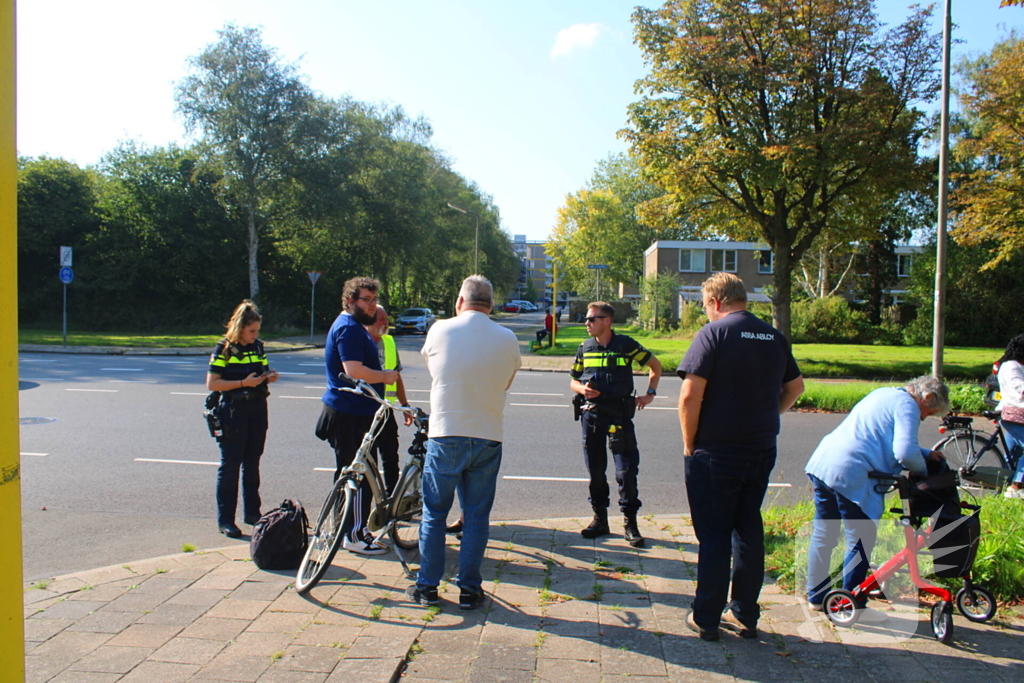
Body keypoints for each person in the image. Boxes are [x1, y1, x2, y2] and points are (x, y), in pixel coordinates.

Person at [677, 273, 804, 641]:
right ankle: (746, 614)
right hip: (761, 447)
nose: (706, 313)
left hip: (716, 451)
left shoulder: (713, 334)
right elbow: (795, 387)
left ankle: (706, 618)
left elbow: (689, 396)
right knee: (748, 528)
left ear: (716, 301)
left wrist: (690, 443)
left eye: (705, 306)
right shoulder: (774, 337)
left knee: (714, 535)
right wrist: (768, 416)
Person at [406, 275, 522, 610]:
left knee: (434, 512)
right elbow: (507, 382)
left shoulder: (440, 329)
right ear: (491, 305)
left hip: (446, 433)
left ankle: (427, 586)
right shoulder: (507, 337)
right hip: (488, 434)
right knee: (475, 517)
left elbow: (435, 370)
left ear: (460, 301)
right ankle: (470, 589)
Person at [804, 377, 950, 620]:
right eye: (929, 412)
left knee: (824, 533)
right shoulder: (908, 406)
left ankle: (816, 598)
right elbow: (903, 452)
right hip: (851, 471)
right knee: (859, 539)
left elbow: (878, 434)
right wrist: (924, 473)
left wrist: (925, 454)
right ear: (926, 398)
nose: (924, 417)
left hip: (824, 463)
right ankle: (850, 601)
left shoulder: (884, 393)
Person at [315, 277, 400, 555]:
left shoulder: (353, 326)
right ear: (350, 301)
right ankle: (354, 535)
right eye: (367, 300)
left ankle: (344, 529)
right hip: (349, 413)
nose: (372, 305)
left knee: (352, 472)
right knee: (357, 475)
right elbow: (353, 370)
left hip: (353, 411)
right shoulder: (350, 328)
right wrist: (386, 376)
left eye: (375, 300)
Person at [570, 301, 663, 548]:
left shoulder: (626, 345)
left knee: (626, 472)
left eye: (591, 319)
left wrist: (650, 393)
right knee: (596, 471)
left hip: (620, 416)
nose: (586, 323)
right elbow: (573, 380)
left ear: (607, 321)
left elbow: (655, 366)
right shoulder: (584, 347)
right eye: (586, 318)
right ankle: (600, 520)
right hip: (592, 417)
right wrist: (582, 388)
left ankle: (630, 524)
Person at [206, 300, 279, 538]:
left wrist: (269, 376)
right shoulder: (224, 349)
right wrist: (242, 383)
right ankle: (226, 520)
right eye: (251, 331)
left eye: (257, 331)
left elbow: (262, 371)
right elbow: (213, 383)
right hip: (232, 411)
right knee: (230, 465)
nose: (255, 335)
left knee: (253, 462)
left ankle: (252, 514)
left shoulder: (257, 347)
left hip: (257, 407)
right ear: (240, 328)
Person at [363, 305, 413, 494]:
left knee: (391, 457)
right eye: (380, 319)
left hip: (385, 410)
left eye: (387, 319)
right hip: (364, 411)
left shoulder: (389, 342)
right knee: (369, 460)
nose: (385, 323)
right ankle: (372, 500)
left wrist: (405, 405)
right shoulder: (360, 341)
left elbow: (396, 376)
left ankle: (393, 501)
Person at [994, 334, 1024, 499]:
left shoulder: (1019, 365)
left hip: (1018, 415)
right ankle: (1016, 486)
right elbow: (1019, 388)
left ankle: (1002, 483)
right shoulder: (1011, 366)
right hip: (1015, 414)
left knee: (1013, 455)